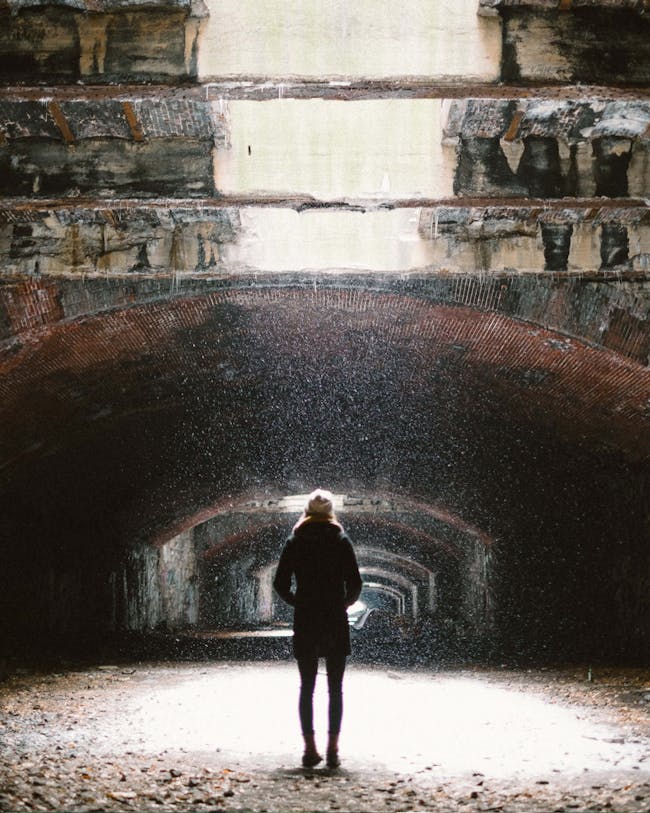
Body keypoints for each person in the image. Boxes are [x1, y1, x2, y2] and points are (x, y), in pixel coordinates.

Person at [273, 489, 362, 769]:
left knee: (307, 687)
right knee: (335, 688)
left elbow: (280, 583)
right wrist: (343, 604)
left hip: (307, 618)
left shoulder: (295, 540)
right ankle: (332, 750)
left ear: (307, 511)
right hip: (334, 618)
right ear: (330, 512)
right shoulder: (340, 540)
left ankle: (309, 750)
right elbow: (355, 583)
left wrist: (298, 602)